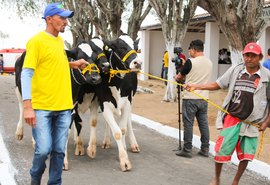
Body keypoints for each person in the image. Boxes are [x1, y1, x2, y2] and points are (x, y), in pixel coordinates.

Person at [184, 42, 270, 185]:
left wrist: (267, 121)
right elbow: (218, 84)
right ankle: (216, 178)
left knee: (246, 156)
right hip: (232, 119)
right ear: (243, 56)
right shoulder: (236, 70)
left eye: (253, 56)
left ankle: (235, 181)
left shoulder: (267, 76)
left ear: (260, 57)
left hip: (252, 122)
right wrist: (196, 86)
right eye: (247, 55)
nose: (249, 58)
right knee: (221, 152)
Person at [21, 3, 88, 185]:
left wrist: (72, 64)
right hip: (42, 107)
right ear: (49, 19)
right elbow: (26, 72)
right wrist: (28, 107)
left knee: (59, 151)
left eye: (66, 18)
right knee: (43, 150)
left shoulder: (59, 41)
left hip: (64, 106)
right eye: (62, 18)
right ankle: (35, 179)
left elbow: (52, 63)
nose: (65, 22)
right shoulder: (36, 41)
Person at [174, 39, 213, 158]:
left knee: (188, 124)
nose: (189, 52)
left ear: (194, 50)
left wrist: (176, 76)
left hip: (190, 98)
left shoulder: (190, 62)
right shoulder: (209, 62)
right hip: (204, 98)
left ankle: (187, 149)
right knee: (203, 124)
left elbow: (180, 77)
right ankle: (205, 149)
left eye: (190, 49)